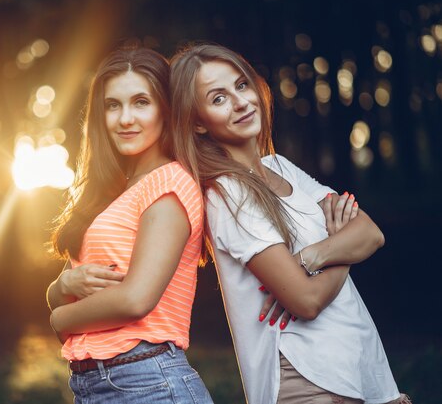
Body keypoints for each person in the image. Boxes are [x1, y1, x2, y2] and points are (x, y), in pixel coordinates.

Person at [169, 43, 410, 404]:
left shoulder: (280, 167)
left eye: (241, 85)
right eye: (218, 99)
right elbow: (307, 300)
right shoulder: (226, 193)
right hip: (306, 379)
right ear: (197, 122)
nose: (240, 102)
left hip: (361, 367)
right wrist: (339, 245)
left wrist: (312, 257)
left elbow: (371, 234)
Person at [46, 47, 214, 404]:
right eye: (112, 105)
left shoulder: (169, 183)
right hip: (95, 386)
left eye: (141, 102)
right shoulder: (109, 194)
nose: (125, 118)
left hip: (148, 383)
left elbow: (136, 299)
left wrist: (59, 316)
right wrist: (62, 285)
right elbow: (68, 284)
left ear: (166, 109)